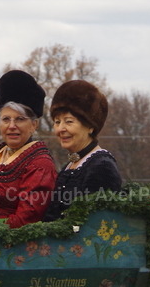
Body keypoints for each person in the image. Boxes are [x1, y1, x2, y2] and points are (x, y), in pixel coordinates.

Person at [0, 70, 57, 227]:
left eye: (20, 119)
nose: (11, 126)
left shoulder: (40, 165)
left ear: (34, 125)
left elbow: (26, 219)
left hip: (7, 245)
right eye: (6, 119)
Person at [43, 80, 122, 221]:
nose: (61, 129)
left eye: (69, 121)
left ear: (90, 126)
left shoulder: (101, 167)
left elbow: (95, 227)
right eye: (57, 121)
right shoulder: (70, 165)